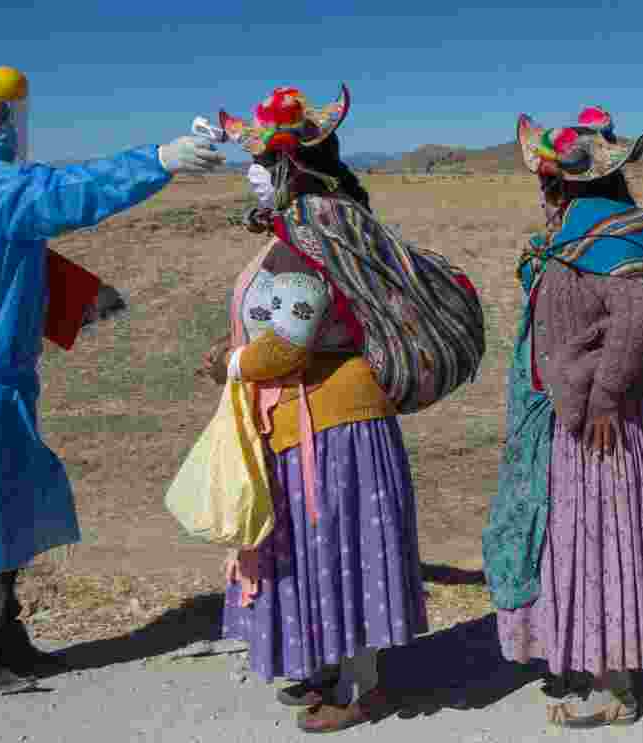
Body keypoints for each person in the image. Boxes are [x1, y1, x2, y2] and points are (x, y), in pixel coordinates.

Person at [0, 64, 224, 695]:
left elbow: (6, 250)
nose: (5, 131)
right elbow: (60, 197)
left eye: (7, 118)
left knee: (0, 510)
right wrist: (159, 158)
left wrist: (80, 292)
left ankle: (4, 639)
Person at [205, 85, 427, 734]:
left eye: (262, 162)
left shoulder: (313, 241)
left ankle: (362, 686)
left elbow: (289, 344)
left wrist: (234, 364)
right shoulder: (316, 229)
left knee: (342, 550)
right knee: (322, 551)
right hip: (315, 422)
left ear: (293, 167)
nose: (251, 174)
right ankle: (330, 666)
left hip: (335, 425)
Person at [483, 106, 643, 727]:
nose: (542, 191)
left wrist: (607, 392)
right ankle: (594, 660)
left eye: (548, 181)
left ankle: (614, 685)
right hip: (572, 416)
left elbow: (635, 312)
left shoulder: (605, 243)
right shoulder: (577, 238)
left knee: (603, 535)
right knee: (580, 539)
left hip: (599, 423)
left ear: (563, 183)